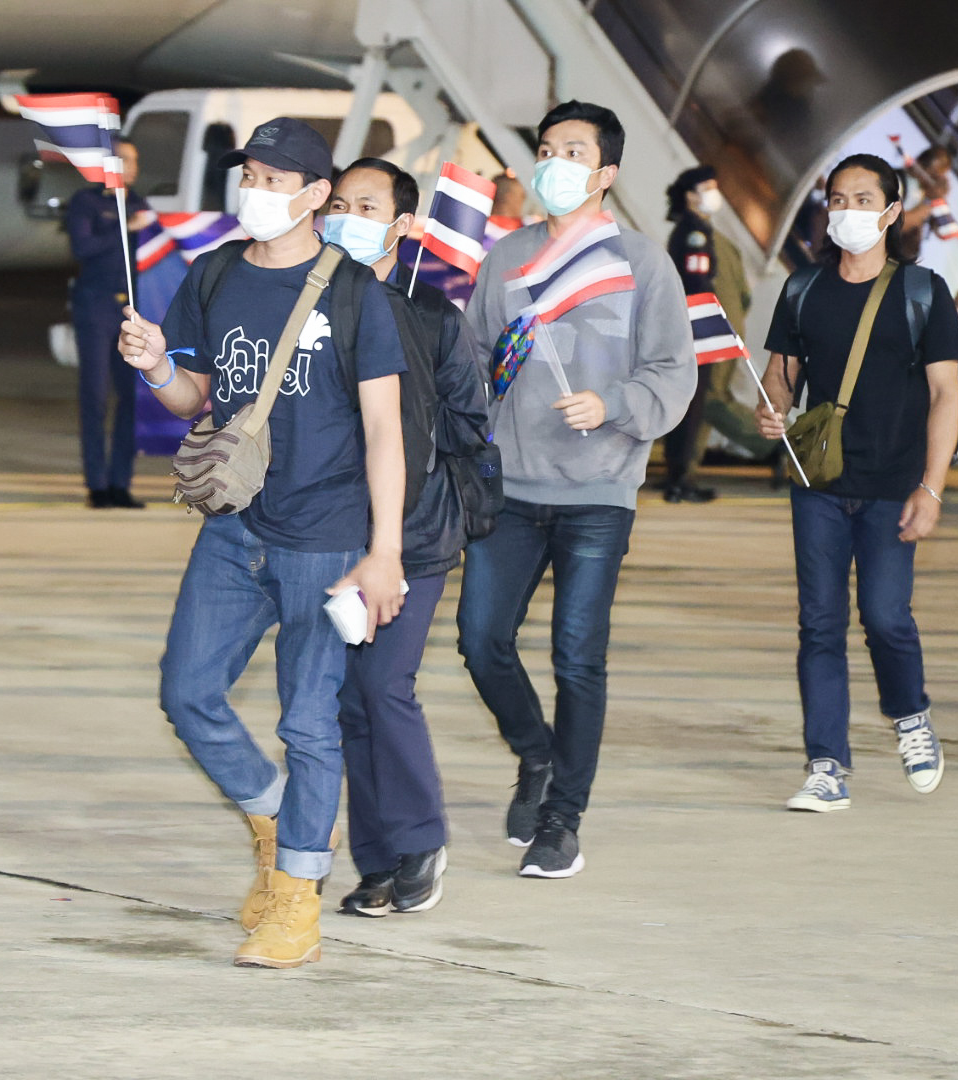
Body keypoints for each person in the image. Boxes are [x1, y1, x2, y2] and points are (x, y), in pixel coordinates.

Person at [117, 118, 406, 968]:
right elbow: (194, 397)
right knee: (186, 692)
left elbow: (385, 431)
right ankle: (276, 816)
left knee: (310, 724)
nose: (256, 191)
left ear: (315, 195)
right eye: (249, 175)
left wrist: (384, 550)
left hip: (324, 536)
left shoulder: (356, 294)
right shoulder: (213, 272)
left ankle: (296, 901)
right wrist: (155, 365)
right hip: (234, 523)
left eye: (275, 181)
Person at [458, 101, 696, 879]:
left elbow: (673, 371)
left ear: (606, 173)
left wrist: (614, 404)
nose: (554, 163)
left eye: (573, 151)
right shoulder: (508, 258)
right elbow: (472, 360)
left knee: (576, 658)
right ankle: (537, 754)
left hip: (599, 491)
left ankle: (562, 822)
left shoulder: (641, 263)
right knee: (481, 641)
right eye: (546, 148)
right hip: (510, 486)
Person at [754, 153, 958, 812]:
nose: (847, 212)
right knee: (819, 624)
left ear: (893, 211)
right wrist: (771, 408)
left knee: (885, 616)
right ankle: (826, 765)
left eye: (863, 200)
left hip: (893, 484)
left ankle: (910, 715)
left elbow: (946, 396)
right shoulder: (803, 289)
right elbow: (781, 374)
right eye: (838, 200)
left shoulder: (923, 292)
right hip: (818, 482)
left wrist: (932, 488)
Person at [321, 158, 490, 917]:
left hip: (413, 537)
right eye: (338, 204)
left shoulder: (432, 316)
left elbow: (467, 423)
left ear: (403, 225)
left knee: (386, 685)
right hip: (327, 533)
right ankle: (377, 861)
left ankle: (421, 841)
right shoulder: (310, 304)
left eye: (366, 207)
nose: (345, 219)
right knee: (348, 700)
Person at [66, 138, 153, 509]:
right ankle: (97, 484)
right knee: (96, 396)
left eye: (135, 160)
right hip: (96, 306)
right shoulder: (86, 203)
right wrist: (125, 227)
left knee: (132, 398)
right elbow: (82, 247)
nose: (132, 167)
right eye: (125, 159)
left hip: (131, 310)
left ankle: (120, 482)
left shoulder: (140, 204)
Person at [661, 165, 752, 503]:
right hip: (696, 331)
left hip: (691, 330)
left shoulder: (692, 229)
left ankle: (679, 477)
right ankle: (679, 480)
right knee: (692, 406)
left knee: (692, 405)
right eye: (707, 187)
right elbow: (697, 285)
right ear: (690, 195)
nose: (714, 194)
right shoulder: (694, 233)